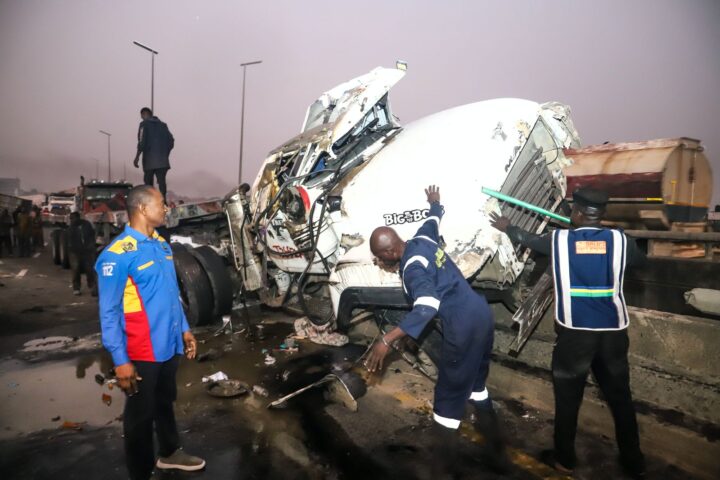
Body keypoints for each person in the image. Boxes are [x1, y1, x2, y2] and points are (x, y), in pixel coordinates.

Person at [490, 187, 646, 478]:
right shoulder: (620, 240)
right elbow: (641, 261)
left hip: (575, 332)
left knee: (568, 398)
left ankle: (564, 459)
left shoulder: (559, 240)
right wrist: (625, 239)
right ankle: (633, 461)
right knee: (621, 398)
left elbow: (528, 240)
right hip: (613, 332)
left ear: (576, 213)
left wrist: (507, 226)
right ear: (601, 214)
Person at [365, 185, 507, 475]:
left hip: (463, 325)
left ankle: (443, 467)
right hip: (481, 313)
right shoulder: (421, 239)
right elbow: (433, 218)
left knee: (448, 396)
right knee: (477, 387)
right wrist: (434, 202)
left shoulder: (413, 267)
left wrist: (386, 340)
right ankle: (497, 451)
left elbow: (427, 306)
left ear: (392, 250)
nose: (380, 262)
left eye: (380, 257)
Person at [95, 185, 204, 480]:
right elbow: (109, 313)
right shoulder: (117, 256)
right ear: (143, 209)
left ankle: (169, 453)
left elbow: (172, 296)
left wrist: (185, 330)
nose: (166, 208)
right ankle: (140, 473)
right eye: (161, 203)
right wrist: (120, 360)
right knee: (139, 417)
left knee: (164, 400)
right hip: (142, 348)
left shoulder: (161, 245)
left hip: (169, 344)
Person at [133, 107, 174, 201]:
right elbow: (171, 141)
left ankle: (151, 203)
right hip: (163, 161)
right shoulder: (164, 125)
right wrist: (165, 153)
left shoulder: (143, 124)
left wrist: (137, 157)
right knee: (162, 182)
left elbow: (141, 141)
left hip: (149, 160)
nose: (141, 117)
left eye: (142, 115)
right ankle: (163, 202)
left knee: (148, 183)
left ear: (144, 114)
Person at [67, 212, 97, 296]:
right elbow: (69, 241)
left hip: (86, 251)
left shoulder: (86, 225)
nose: (72, 220)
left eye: (73, 218)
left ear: (77, 218)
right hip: (75, 252)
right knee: (75, 269)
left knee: (89, 269)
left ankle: (92, 287)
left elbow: (92, 235)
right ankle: (76, 288)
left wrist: (91, 246)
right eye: (71, 218)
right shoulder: (71, 228)